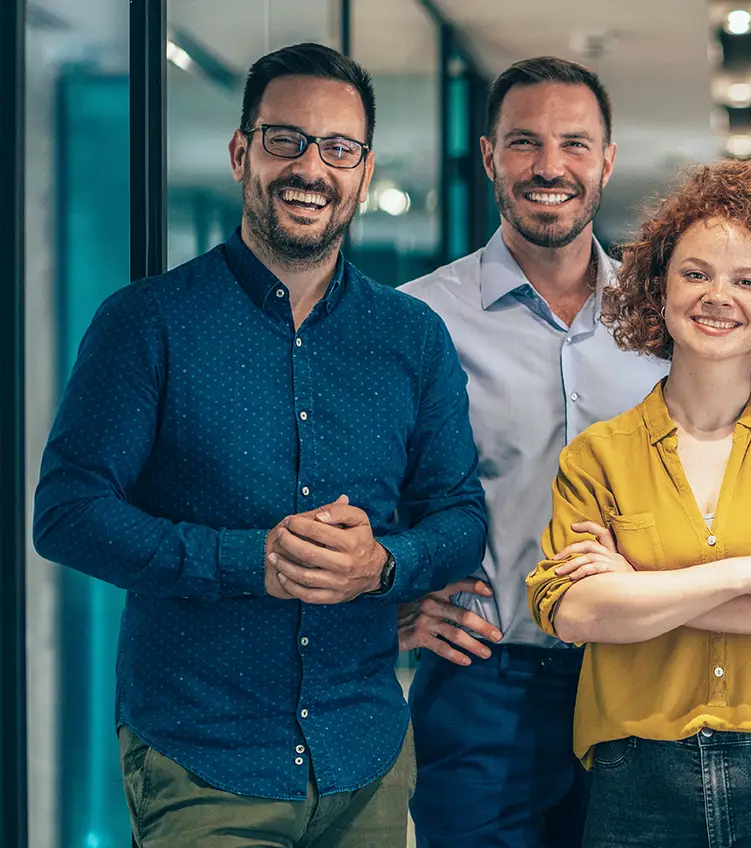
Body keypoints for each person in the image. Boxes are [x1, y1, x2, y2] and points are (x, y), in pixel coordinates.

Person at [32, 43, 487, 847]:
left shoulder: (412, 338)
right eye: (287, 140)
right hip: (203, 756)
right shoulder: (148, 322)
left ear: (364, 170)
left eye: (338, 149)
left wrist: (380, 565)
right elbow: (68, 513)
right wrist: (252, 563)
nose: (311, 168)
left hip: (366, 758)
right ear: (243, 152)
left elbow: (457, 513)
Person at [527, 159, 751, 848]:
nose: (719, 296)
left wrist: (635, 592)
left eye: (748, 280)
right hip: (636, 777)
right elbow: (573, 612)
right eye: (695, 273)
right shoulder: (598, 455)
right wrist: (749, 575)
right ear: (657, 289)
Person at [398, 57, 669, 847]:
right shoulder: (418, 321)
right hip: (483, 681)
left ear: (606, 161)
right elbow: (365, 483)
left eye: (574, 144)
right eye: (524, 142)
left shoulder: (663, 325)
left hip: (639, 676)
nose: (550, 167)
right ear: (488, 157)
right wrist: (393, 606)